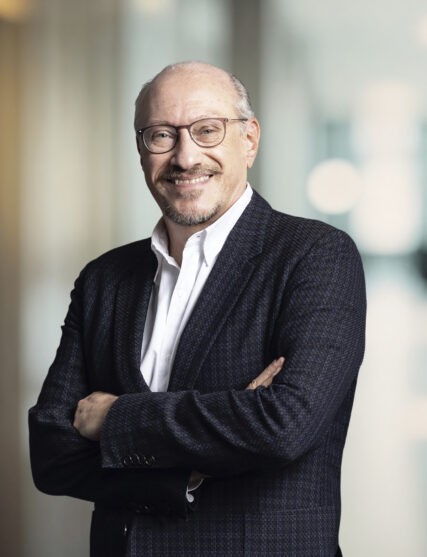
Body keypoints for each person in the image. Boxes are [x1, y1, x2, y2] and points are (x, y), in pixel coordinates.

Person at [29, 61, 366, 557]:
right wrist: (186, 471)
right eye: (162, 135)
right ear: (141, 151)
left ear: (249, 140)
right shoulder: (104, 278)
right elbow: (51, 453)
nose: (186, 157)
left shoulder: (314, 256)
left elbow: (283, 426)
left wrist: (115, 418)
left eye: (208, 130)